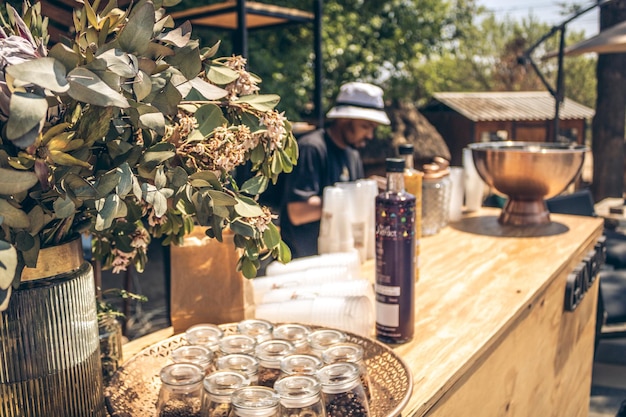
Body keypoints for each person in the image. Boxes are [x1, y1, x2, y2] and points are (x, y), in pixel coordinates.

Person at [279, 81, 390, 258]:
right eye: (365, 126)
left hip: (340, 258)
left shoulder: (353, 155)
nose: (370, 135)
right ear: (344, 120)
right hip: (306, 262)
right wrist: (360, 194)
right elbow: (298, 211)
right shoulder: (312, 148)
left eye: (373, 129)